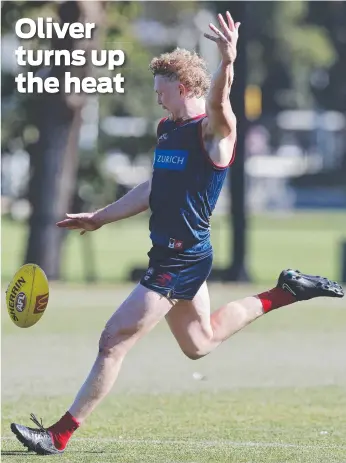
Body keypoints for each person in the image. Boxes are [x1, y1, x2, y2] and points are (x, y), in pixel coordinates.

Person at [11, 12, 344, 455]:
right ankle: (284, 292)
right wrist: (99, 218)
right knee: (199, 344)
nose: (156, 98)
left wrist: (228, 61)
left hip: (180, 259)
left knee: (113, 340)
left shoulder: (213, 133)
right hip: (175, 255)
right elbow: (154, 186)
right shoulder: (167, 130)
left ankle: (58, 435)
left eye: (161, 90)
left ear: (182, 88)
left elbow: (223, 103)